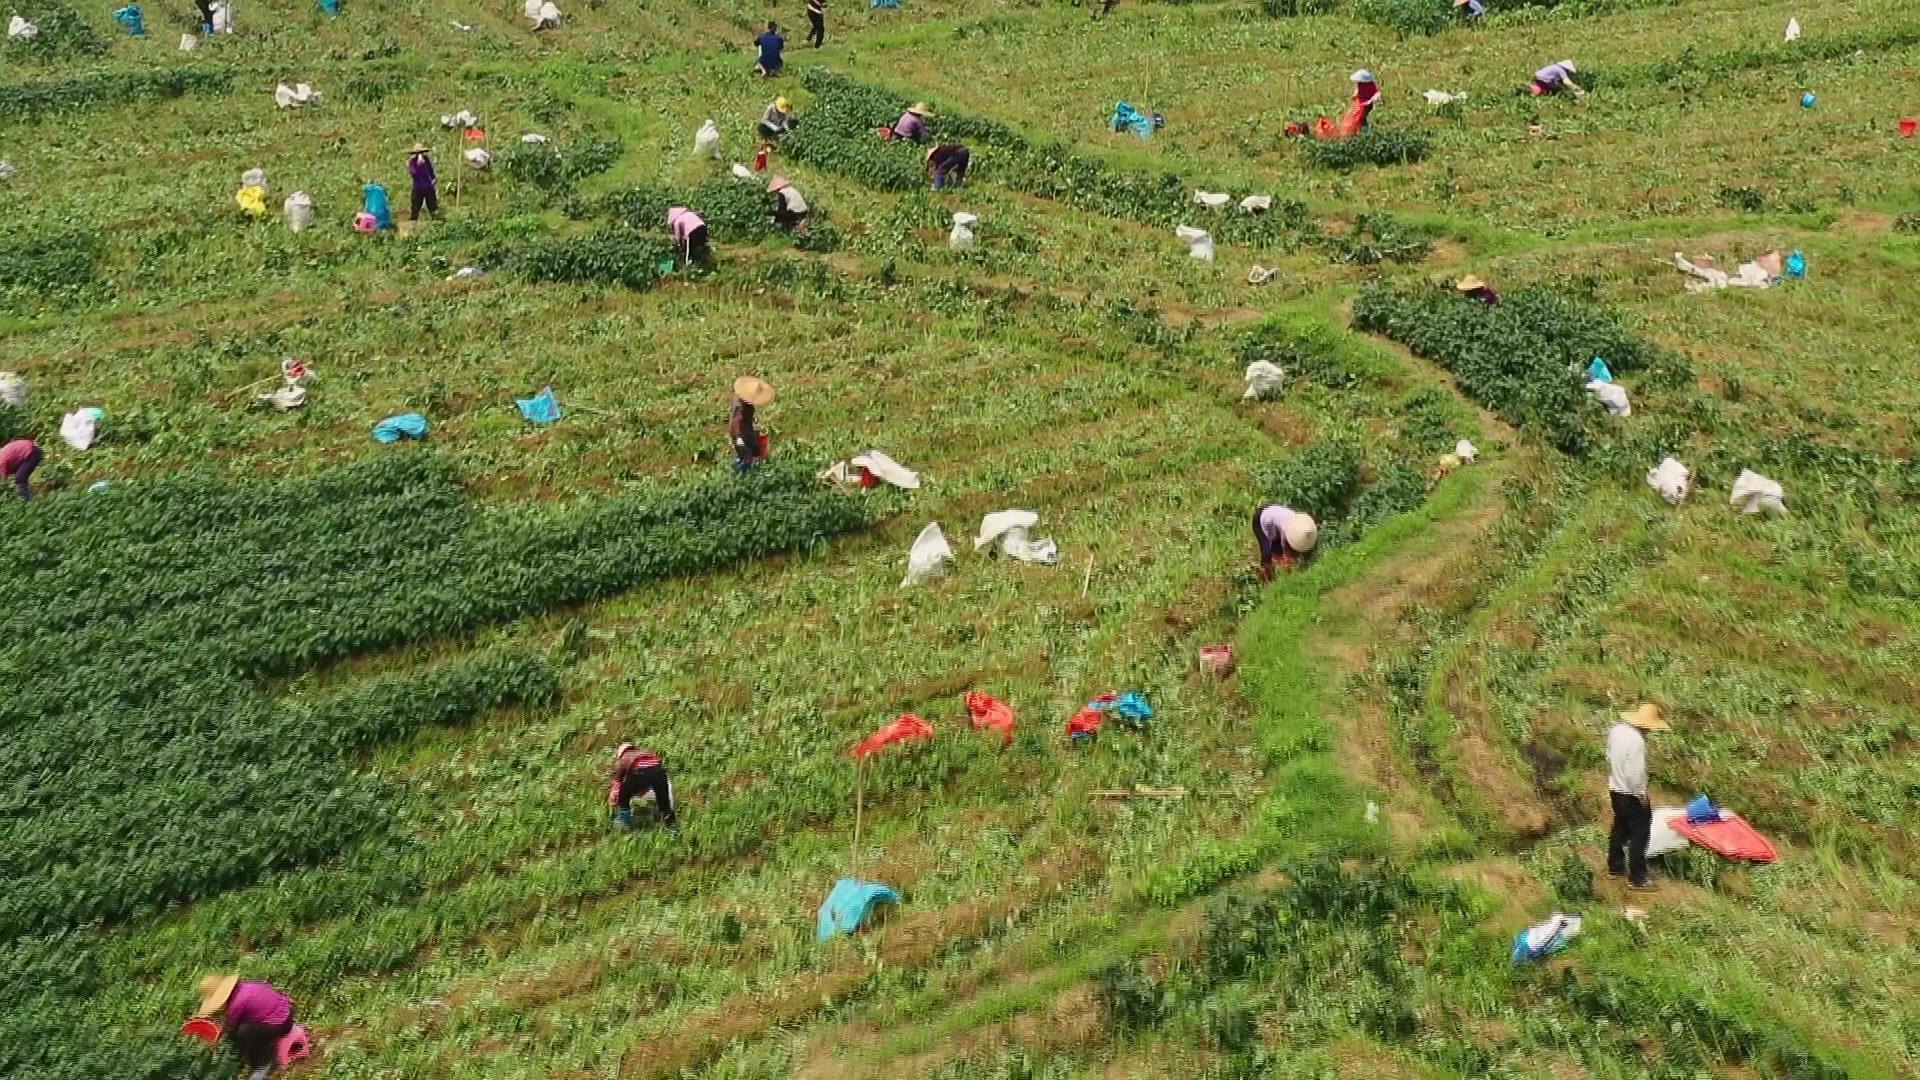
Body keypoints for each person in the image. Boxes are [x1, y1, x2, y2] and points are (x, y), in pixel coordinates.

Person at [1607, 703, 1668, 890]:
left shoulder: (1616, 731)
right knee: (1639, 834)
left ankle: (1615, 867)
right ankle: (1638, 878)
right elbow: (1635, 773)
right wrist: (1641, 794)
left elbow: (1608, 756)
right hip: (1630, 793)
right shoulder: (1637, 741)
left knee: (1620, 827)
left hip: (1615, 789)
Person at [196, 974, 295, 1080]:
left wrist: (219, 1040)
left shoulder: (236, 1004)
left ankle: (263, 1063)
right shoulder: (247, 985)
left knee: (243, 1032)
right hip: (287, 1012)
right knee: (245, 1027)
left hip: (281, 1025)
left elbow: (231, 1030)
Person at [610, 743, 678, 828]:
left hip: (641, 771)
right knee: (664, 802)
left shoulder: (624, 757)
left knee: (624, 792)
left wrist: (615, 796)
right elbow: (652, 771)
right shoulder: (645, 752)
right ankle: (672, 827)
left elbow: (618, 782)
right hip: (660, 772)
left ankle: (624, 820)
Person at [1252, 504, 1318, 581]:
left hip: (1276, 518)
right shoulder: (1287, 531)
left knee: (1280, 552)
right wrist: (1287, 562)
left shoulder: (1304, 526)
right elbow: (1286, 550)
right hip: (1261, 517)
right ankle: (1266, 580)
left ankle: (1285, 575)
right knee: (1267, 553)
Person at [730, 376, 774, 472]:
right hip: (741, 436)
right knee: (746, 458)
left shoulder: (742, 401)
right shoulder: (740, 407)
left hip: (746, 432)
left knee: (751, 453)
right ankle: (741, 474)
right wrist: (739, 440)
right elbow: (736, 424)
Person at [406, 144, 439, 222]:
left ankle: (436, 224)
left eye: (422, 153)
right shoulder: (412, 162)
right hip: (418, 187)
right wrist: (419, 165)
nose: (420, 155)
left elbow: (430, 170)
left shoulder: (426, 159)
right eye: (418, 153)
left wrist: (434, 178)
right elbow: (414, 174)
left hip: (428, 186)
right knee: (415, 208)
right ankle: (413, 224)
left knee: (433, 207)